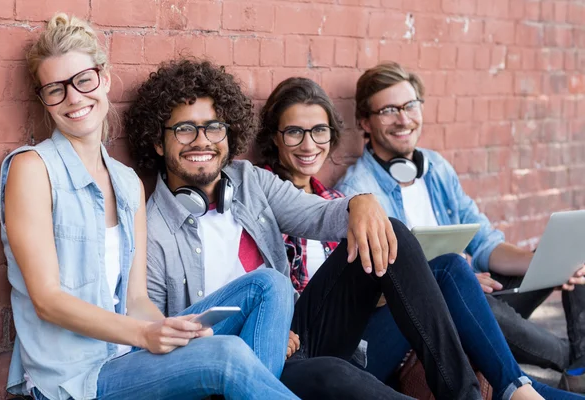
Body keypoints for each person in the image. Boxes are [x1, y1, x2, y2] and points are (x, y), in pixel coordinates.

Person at [124, 57, 561, 400]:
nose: (202, 140)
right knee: (336, 375)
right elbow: (166, 341)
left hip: (301, 329)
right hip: (243, 361)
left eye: (213, 127)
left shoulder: (248, 180)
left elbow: (318, 214)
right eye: (185, 129)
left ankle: (465, 395)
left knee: (390, 233)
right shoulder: (153, 228)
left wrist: (361, 203)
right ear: (157, 141)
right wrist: (261, 332)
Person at [0, 14, 299, 400]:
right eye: (55, 89)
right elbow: (47, 300)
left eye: (83, 80)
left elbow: (137, 300)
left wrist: (175, 334)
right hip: (74, 380)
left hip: (130, 355)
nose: (74, 98)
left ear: (104, 79)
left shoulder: (126, 183)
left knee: (269, 285)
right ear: (44, 99)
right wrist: (144, 334)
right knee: (226, 356)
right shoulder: (32, 169)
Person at [256, 76, 585, 400]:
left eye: (319, 131)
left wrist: (541, 266)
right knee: (445, 275)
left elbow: (484, 241)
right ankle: (564, 361)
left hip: (384, 326)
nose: (309, 144)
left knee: (462, 269)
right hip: (315, 344)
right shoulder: (264, 200)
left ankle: (520, 387)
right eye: (295, 132)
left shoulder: (337, 202)